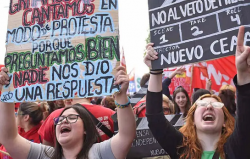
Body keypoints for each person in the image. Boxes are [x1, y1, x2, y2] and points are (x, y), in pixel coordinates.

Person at [143, 26, 250, 159]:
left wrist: (244, 74)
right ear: (193, 119)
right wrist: (155, 70)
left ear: (224, 121)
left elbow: (246, 117)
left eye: (217, 106)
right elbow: (154, 118)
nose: (209, 106)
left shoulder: (236, 149)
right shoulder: (181, 149)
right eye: (203, 105)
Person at [0, 66, 136, 159]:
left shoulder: (98, 153)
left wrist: (121, 95)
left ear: (86, 129)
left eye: (72, 117)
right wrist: (6, 92)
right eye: (59, 119)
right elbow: (10, 139)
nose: (63, 121)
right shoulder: (46, 155)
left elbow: (126, 135)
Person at [38, 95, 116, 147]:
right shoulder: (110, 113)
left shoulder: (54, 116)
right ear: (91, 97)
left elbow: (47, 149)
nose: (64, 121)